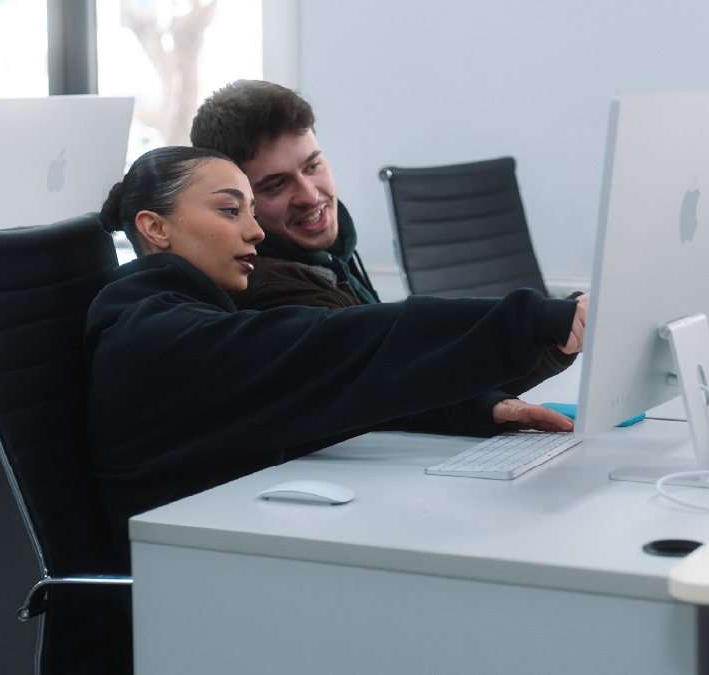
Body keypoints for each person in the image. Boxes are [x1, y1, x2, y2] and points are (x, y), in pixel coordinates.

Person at [88, 146, 588, 569]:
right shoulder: (164, 337)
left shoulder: (176, 319)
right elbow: (340, 345)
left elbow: (316, 395)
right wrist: (537, 319)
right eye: (229, 210)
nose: (256, 232)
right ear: (155, 228)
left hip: (221, 554)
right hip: (189, 583)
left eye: (252, 212)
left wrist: (478, 409)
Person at [190, 78, 578, 394]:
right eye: (276, 185)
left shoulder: (329, 258)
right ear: (237, 201)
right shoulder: (271, 291)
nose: (309, 195)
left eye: (313, 166)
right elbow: (417, 382)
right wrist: (552, 328)